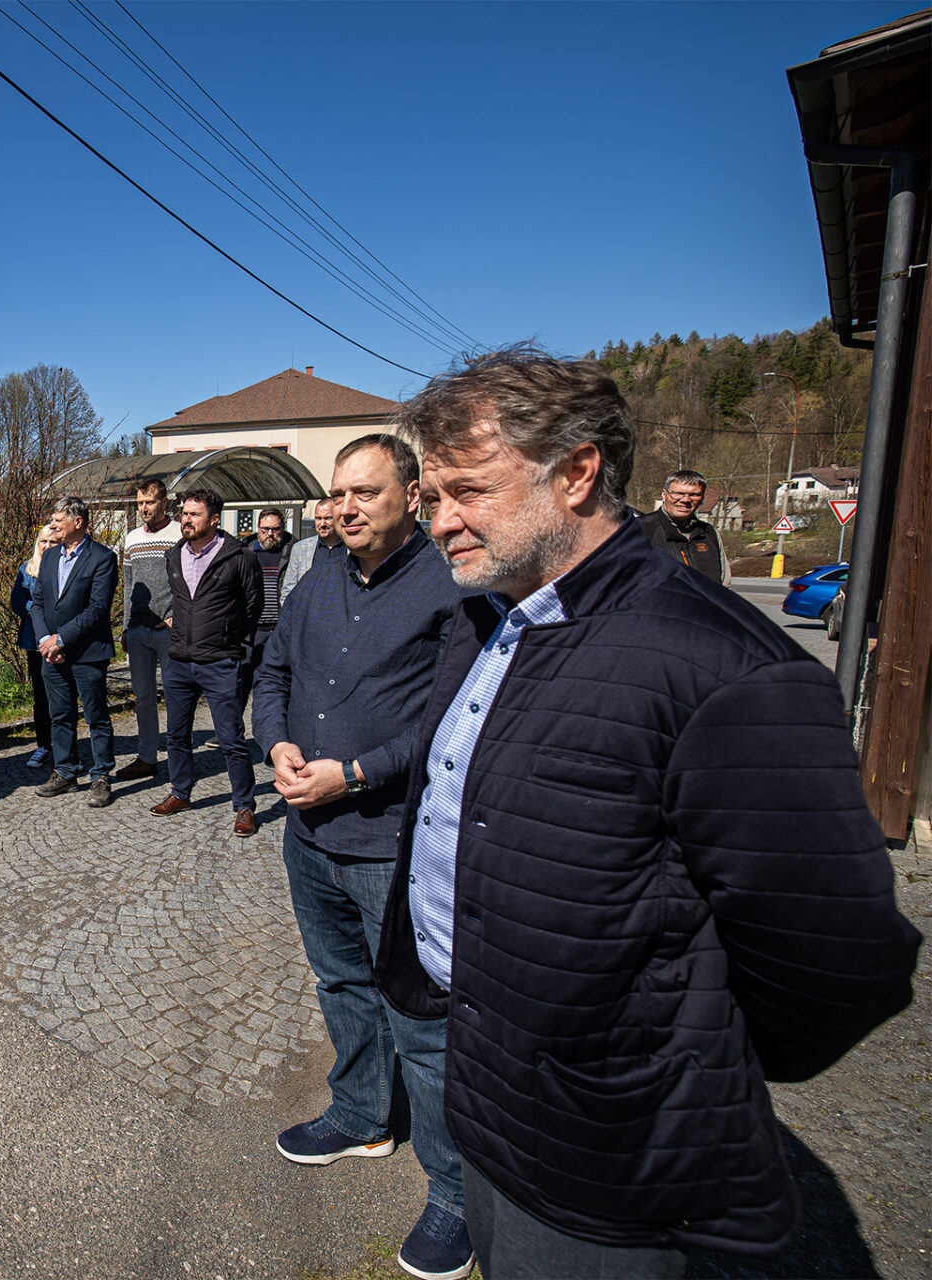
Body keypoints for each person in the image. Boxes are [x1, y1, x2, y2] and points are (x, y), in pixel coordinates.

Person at [379, 348, 919, 1278]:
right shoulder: (489, 616)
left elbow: (841, 962)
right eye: (431, 497)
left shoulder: (723, 665)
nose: (440, 522)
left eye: (466, 491)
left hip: (613, 1163)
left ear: (578, 471)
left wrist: (653, 1058)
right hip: (492, 1095)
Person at [253, 435, 468, 1280]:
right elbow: (271, 672)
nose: (344, 508)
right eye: (337, 494)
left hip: (394, 842)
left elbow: (454, 721)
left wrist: (357, 774)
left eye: (364, 493)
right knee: (339, 983)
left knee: (423, 1019)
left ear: (411, 496)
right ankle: (361, 1117)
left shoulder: (452, 585)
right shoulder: (315, 581)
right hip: (309, 836)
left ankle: (455, 1193)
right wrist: (275, 746)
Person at [147, 489, 263, 836]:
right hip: (179, 659)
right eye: (184, 513)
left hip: (220, 660)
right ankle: (180, 792)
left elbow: (252, 608)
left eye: (195, 514)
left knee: (231, 738)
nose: (186, 519)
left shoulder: (239, 557)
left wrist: (230, 640)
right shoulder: (173, 555)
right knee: (177, 735)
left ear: (215, 519)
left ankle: (244, 806)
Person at [30, 494, 118, 807]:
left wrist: (61, 639)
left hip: (87, 652)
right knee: (59, 715)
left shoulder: (102, 558)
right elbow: (37, 601)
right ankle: (65, 772)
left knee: (96, 715)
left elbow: (97, 609)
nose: (52, 526)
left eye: (58, 520)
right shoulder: (52, 556)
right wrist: (45, 640)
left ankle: (101, 775)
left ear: (77, 522)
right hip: (51, 652)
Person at [117, 479, 180, 781]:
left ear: (164, 502)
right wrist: (126, 627)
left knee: (176, 694)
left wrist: (177, 618)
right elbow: (129, 586)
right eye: (140, 502)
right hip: (139, 630)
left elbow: (189, 579)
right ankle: (147, 757)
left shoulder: (179, 533)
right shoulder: (131, 539)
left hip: (169, 629)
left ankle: (180, 756)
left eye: (150, 502)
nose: (144, 508)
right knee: (143, 697)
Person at [10, 523, 61, 769]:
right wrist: (37, 610)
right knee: (41, 697)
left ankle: (65, 749)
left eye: (53, 542)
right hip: (34, 642)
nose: (48, 546)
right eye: (44, 541)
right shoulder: (27, 570)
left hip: (61, 641)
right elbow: (17, 601)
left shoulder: (64, 568)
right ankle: (43, 745)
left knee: (63, 697)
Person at [637, 468, 731, 584]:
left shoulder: (709, 534)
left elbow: (725, 586)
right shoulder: (639, 530)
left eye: (694, 495)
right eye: (678, 493)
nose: (686, 500)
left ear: (702, 498)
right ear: (664, 494)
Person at [240, 506, 288, 705]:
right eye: (265, 529)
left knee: (274, 684)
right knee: (240, 682)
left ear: (282, 528)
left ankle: (269, 733)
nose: (270, 534)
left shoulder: (293, 550)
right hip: (250, 630)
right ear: (257, 528)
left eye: (275, 529)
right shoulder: (244, 551)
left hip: (279, 629)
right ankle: (231, 733)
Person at [280, 497, 341, 602]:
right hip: (309, 616)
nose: (322, 524)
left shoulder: (352, 548)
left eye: (327, 518)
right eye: (318, 518)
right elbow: (288, 590)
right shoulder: (300, 549)